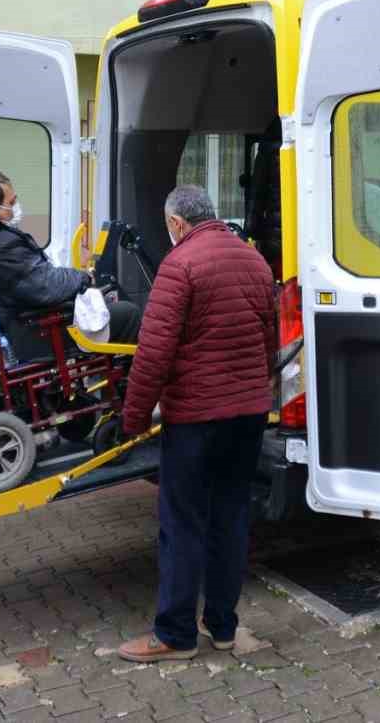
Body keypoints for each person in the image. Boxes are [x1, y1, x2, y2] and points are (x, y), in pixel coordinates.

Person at [117, 185, 277, 662]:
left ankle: (175, 635)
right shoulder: (254, 261)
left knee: (182, 522)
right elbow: (269, 339)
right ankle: (223, 627)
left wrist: (132, 417)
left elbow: (154, 353)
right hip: (248, 414)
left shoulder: (180, 265)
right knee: (231, 517)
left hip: (196, 418)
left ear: (178, 224)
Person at [0, 170, 140, 355]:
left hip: (12, 320)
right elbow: (44, 285)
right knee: (128, 313)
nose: (16, 207)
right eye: (11, 203)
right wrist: (82, 277)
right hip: (34, 331)